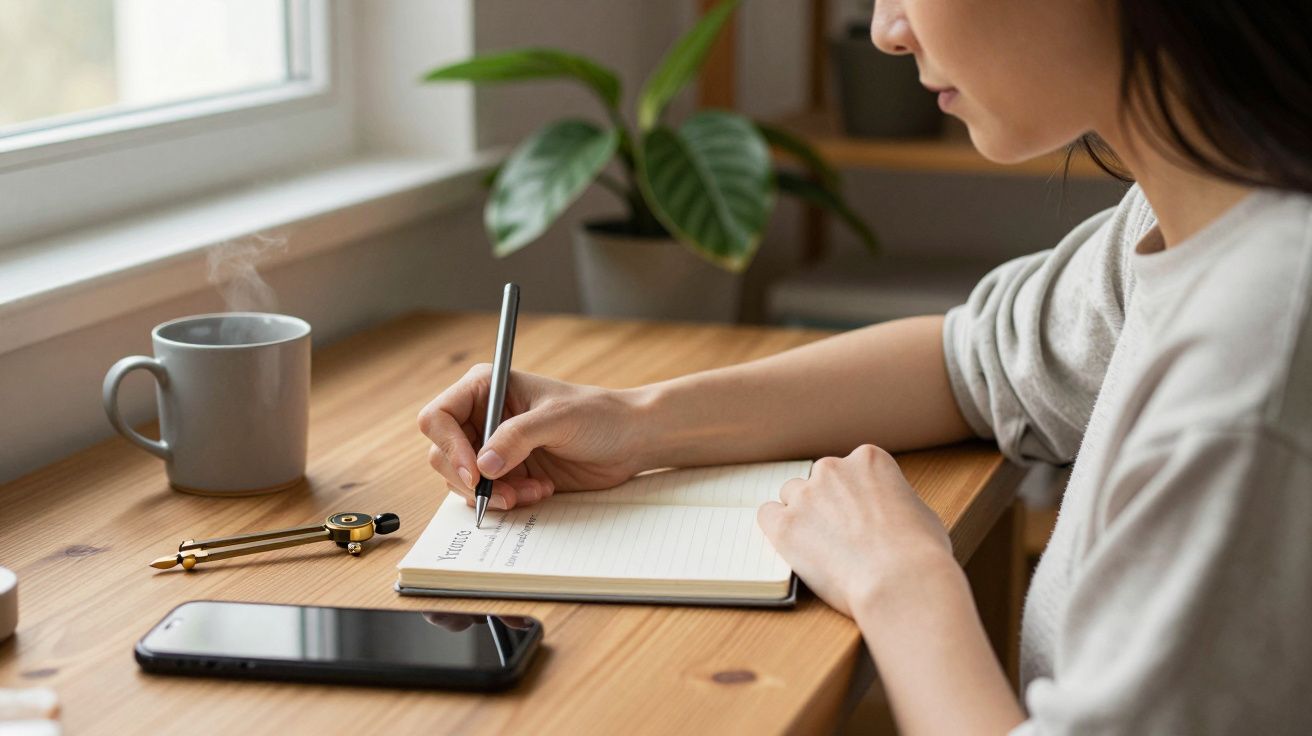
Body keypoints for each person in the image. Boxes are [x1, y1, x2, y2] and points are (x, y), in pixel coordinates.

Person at [418, 0, 1312, 731]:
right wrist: (638, 420)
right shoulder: (1195, 212)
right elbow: (974, 362)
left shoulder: (1255, 356)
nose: (886, 29)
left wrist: (903, 579)